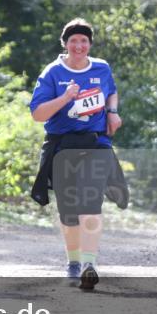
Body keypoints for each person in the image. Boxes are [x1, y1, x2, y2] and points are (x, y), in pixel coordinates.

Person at [29, 18, 128, 291]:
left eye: (84, 40)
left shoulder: (101, 67)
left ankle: (89, 265)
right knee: (69, 210)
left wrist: (113, 111)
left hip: (97, 145)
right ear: (65, 44)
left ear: (90, 44)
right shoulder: (52, 73)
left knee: (90, 201)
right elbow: (38, 114)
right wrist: (65, 98)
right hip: (63, 147)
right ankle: (73, 261)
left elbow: (112, 92)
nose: (79, 45)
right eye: (73, 40)